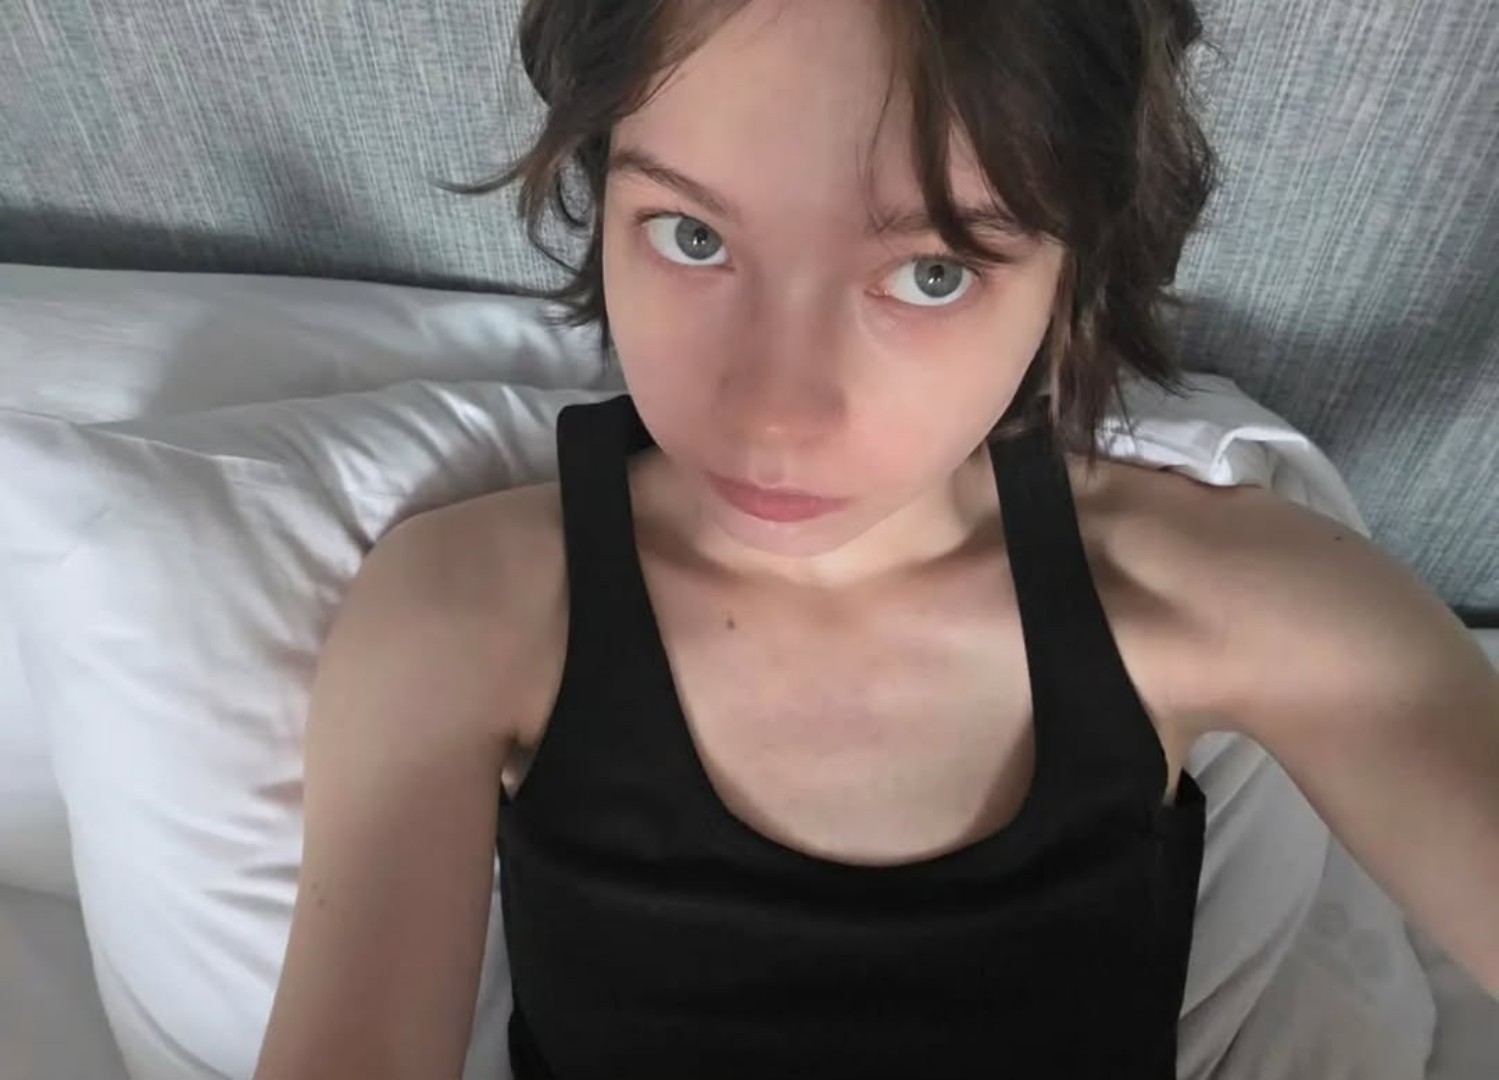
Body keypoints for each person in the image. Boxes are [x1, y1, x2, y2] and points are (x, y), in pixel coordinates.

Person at [254, 1, 1499, 1077]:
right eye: (691, 236)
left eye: (930, 273)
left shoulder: (1220, 597)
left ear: (1074, 269)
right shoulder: (469, 614)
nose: (774, 415)